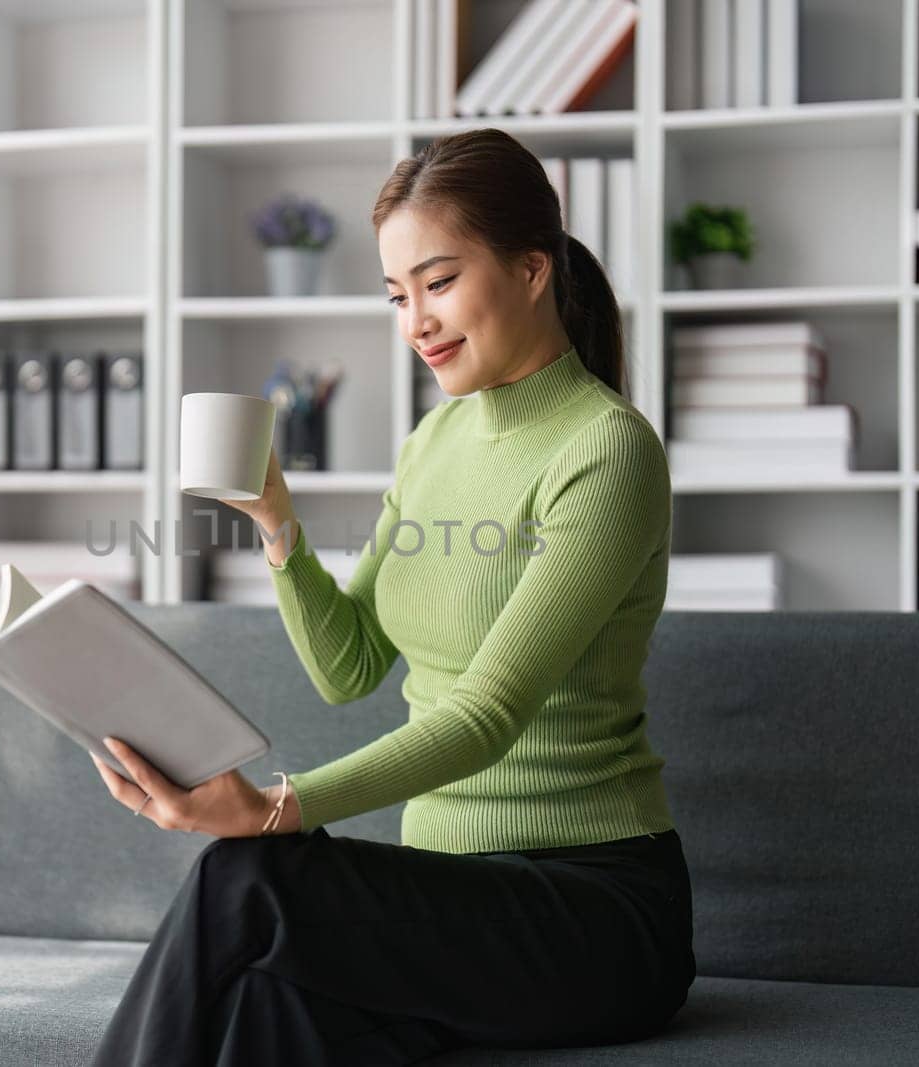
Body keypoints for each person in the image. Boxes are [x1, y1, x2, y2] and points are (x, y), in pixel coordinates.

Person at [87, 127, 695, 1066]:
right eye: (397, 294)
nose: (416, 320)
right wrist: (275, 519)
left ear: (532, 270)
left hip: (594, 912)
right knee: (263, 1008)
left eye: (440, 282)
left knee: (245, 879)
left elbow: (487, 715)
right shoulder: (432, 443)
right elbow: (349, 665)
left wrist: (276, 807)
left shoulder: (606, 451)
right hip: (451, 904)